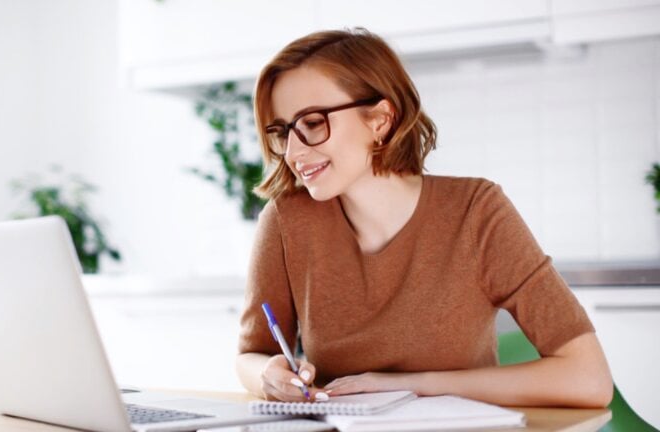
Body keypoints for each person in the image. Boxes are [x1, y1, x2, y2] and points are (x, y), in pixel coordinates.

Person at [235, 28, 613, 408]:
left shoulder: (476, 210)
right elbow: (251, 356)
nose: (294, 151)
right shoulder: (286, 221)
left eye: (313, 123)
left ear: (380, 120)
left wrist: (410, 385)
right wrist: (268, 376)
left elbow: (588, 378)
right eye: (282, 132)